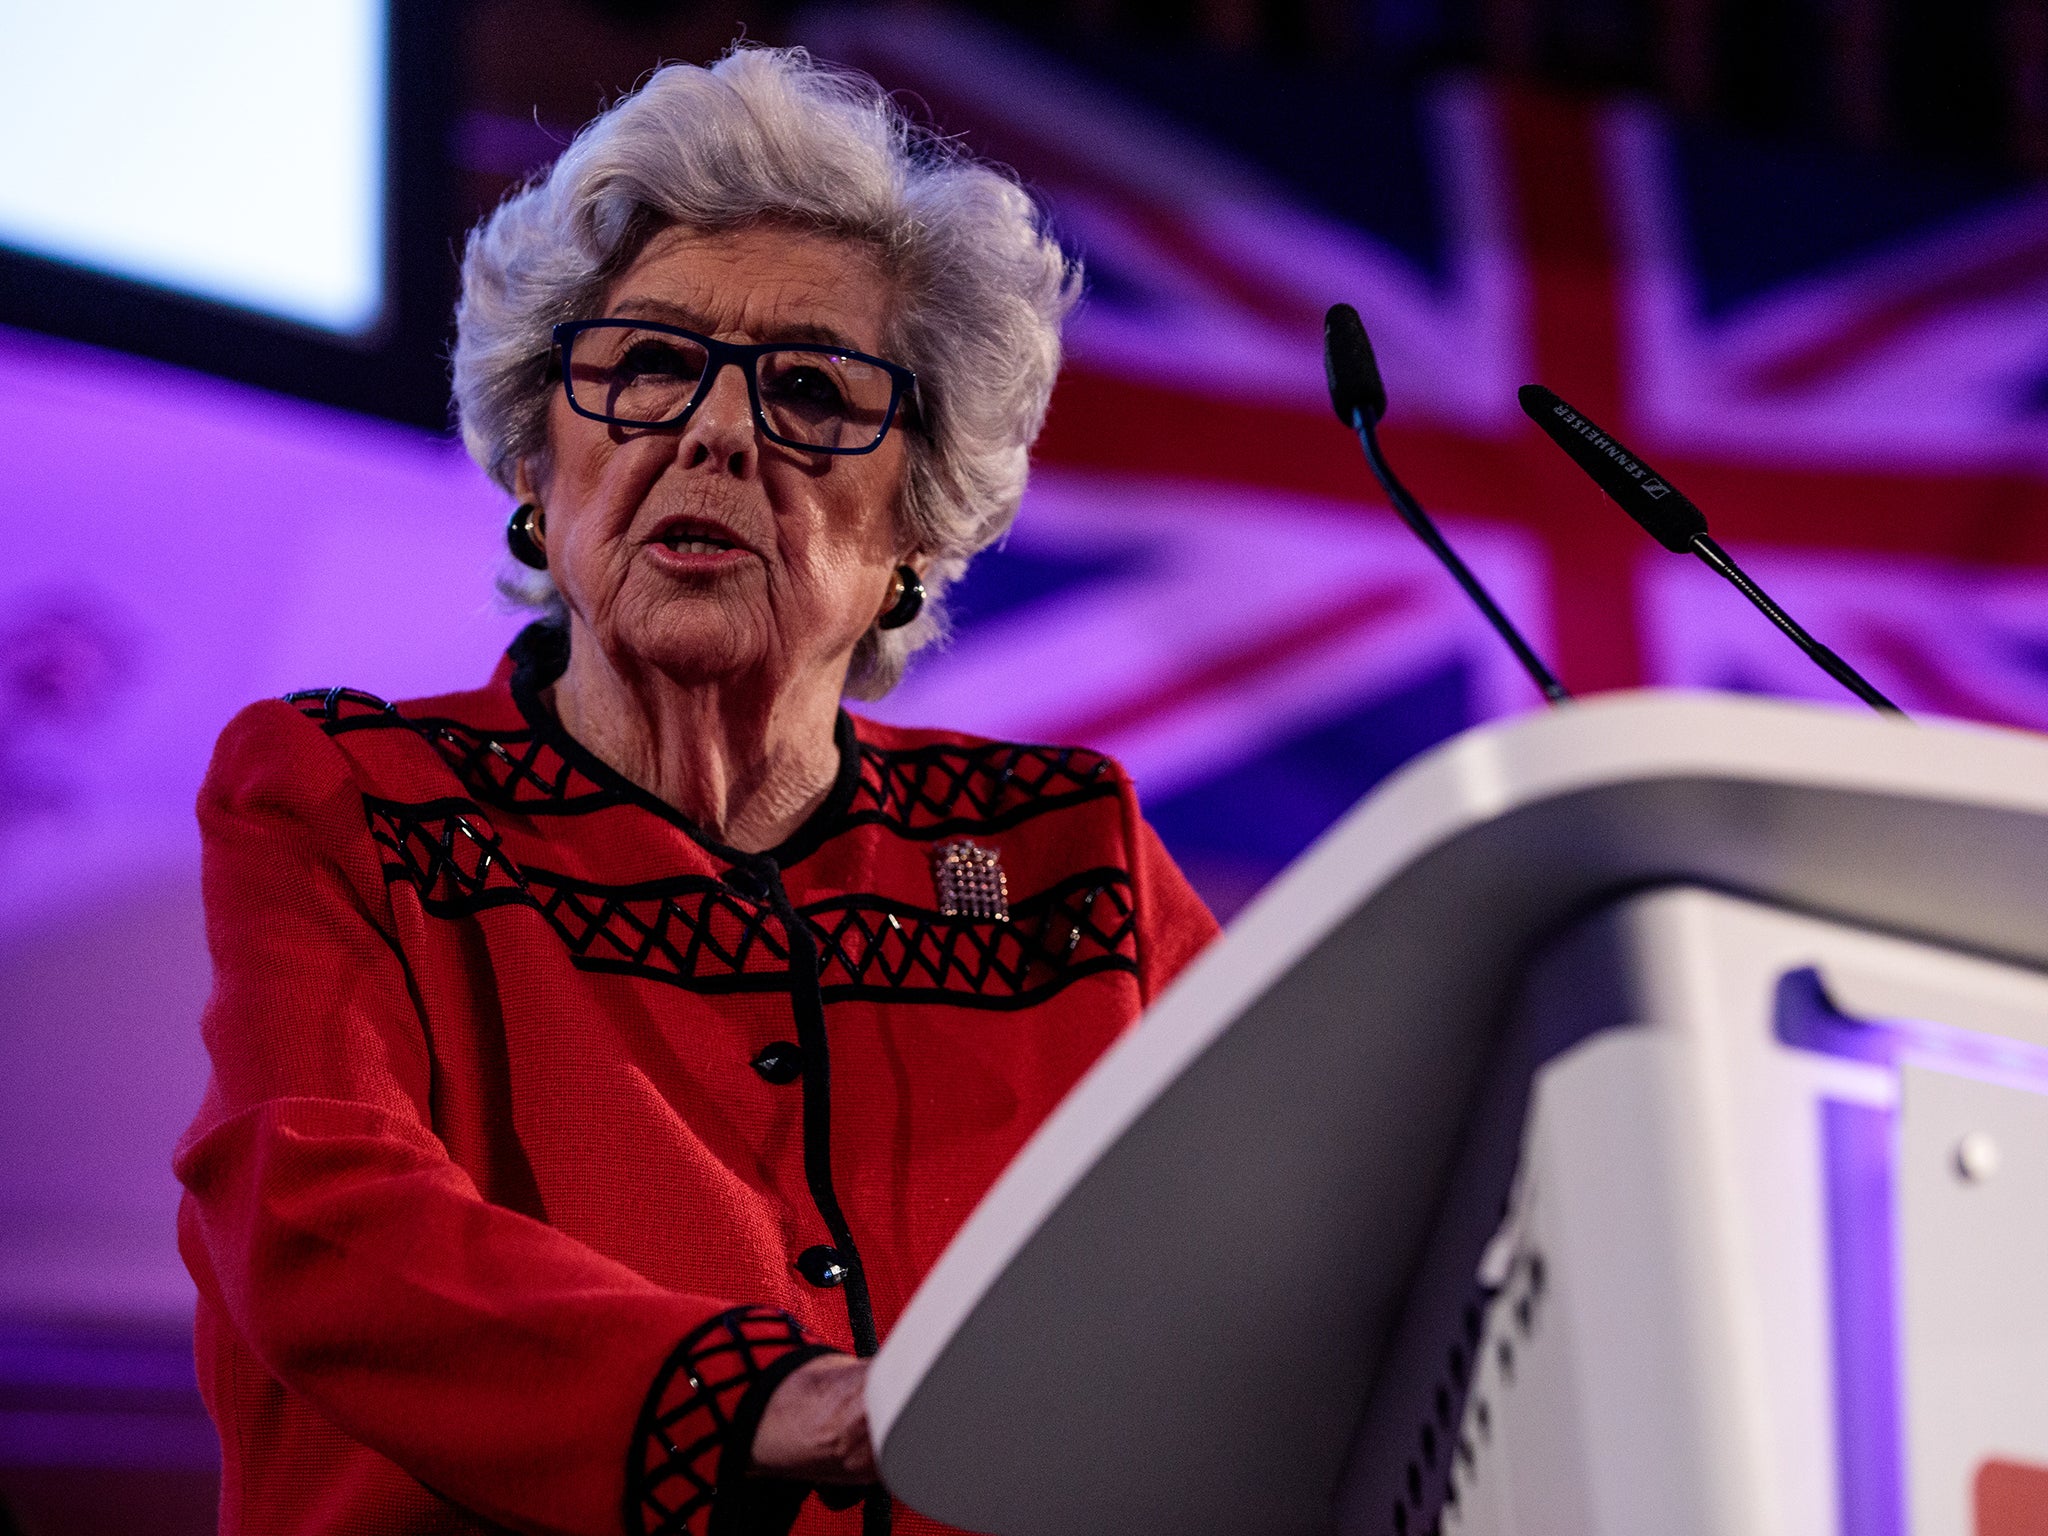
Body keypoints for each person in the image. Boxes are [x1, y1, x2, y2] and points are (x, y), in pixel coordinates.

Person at [173, 43, 1219, 1536]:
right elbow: (313, 1217)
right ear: (539, 463)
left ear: (918, 523)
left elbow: (1294, 1231)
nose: (718, 430)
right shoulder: (350, 798)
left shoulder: (1067, 855)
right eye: (651, 364)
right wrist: (764, 1404)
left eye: (811, 390)